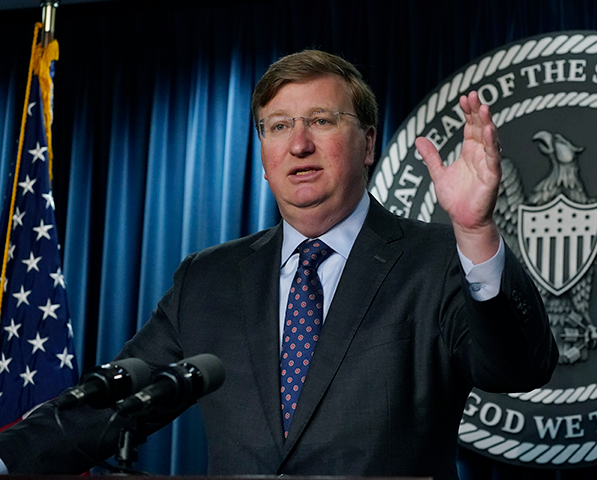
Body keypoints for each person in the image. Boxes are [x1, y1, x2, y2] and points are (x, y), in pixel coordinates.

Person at [0, 50, 557, 480]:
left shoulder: (434, 259)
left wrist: (476, 231)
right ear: (263, 157)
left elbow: (516, 368)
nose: (299, 145)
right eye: (277, 126)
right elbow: (112, 409)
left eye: (320, 120)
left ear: (367, 143)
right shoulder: (208, 278)